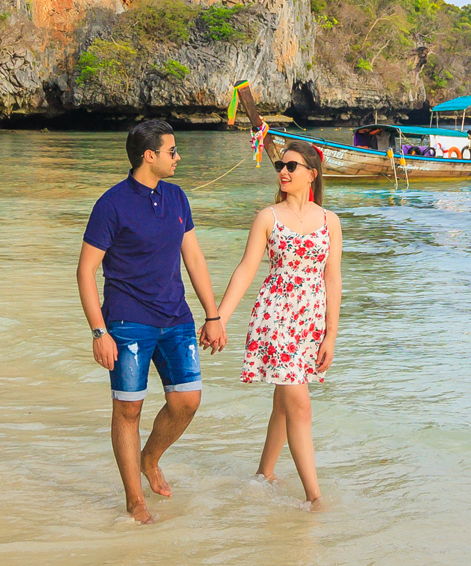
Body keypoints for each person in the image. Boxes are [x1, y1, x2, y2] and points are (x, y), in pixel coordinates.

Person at [78, 118, 226, 524]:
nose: (178, 157)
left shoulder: (176, 197)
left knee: (187, 400)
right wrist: (99, 331)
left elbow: (193, 258)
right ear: (149, 156)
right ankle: (134, 501)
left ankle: (150, 458)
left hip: (176, 317)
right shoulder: (111, 204)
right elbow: (86, 271)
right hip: (127, 321)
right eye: (172, 151)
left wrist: (213, 315)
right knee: (128, 410)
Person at [211, 138, 343, 509]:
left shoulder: (330, 222)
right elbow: (246, 270)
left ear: (311, 174)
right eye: (280, 166)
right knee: (299, 404)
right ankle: (314, 498)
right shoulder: (267, 218)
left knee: (285, 404)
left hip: (310, 323)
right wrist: (218, 318)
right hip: (276, 318)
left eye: (291, 166)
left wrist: (331, 334)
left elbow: (333, 278)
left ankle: (263, 474)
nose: (283, 171)